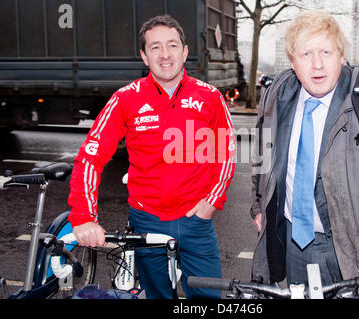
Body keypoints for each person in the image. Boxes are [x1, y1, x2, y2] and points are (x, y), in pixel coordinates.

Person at [250, 10, 359, 299]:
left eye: (326, 51)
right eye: (305, 54)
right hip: (292, 241)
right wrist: (257, 205)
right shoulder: (277, 94)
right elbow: (262, 152)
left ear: (341, 55)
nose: (317, 64)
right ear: (292, 62)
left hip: (349, 247)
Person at [67, 15, 236, 299]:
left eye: (172, 45)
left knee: (207, 297)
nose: (165, 54)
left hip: (197, 220)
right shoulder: (125, 98)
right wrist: (84, 217)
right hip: (146, 221)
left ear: (185, 51)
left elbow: (227, 152)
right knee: (156, 296)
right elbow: (90, 158)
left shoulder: (209, 97)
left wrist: (211, 202)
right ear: (144, 57)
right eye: (155, 47)